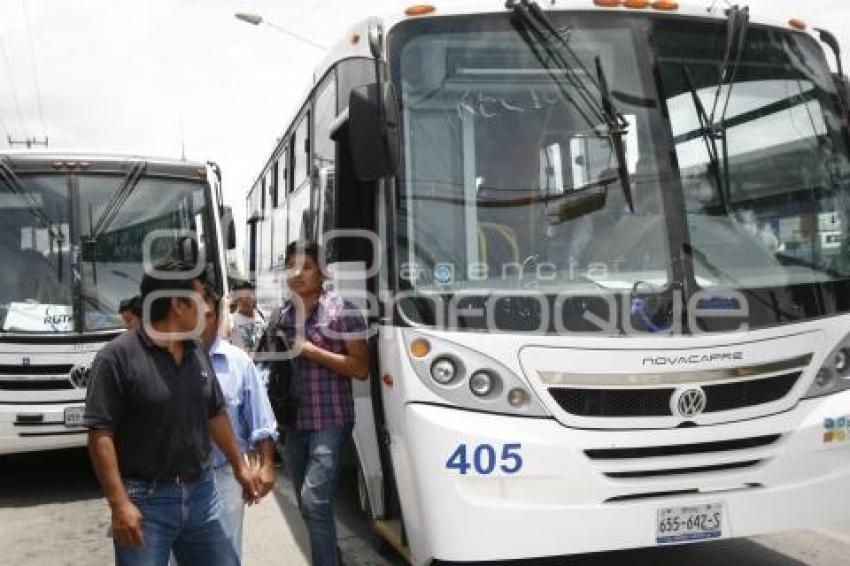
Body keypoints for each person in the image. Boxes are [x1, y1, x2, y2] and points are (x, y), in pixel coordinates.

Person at [84, 259, 260, 566]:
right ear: (178, 305)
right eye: (201, 297)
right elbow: (101, 434)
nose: (208, 309)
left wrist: (239, 466)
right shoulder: (116, 358)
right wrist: (119, 503)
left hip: (202, 496)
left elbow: (215, 412)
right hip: (145, 501)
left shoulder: (196, 353)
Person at [271, 241, 369, 566]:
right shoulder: (281, 315)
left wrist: (312, 351)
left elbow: (360, 368)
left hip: (331, 420)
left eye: (306, 266)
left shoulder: (342, 311)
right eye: (290, 266)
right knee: (308, 504)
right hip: (293, 423)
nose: (297, 274)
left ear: (323, 271)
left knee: (314, 502)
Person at [200, 287, 278, 559]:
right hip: (178, 482)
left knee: (227, 553)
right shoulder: (167, 362)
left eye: (207, 316)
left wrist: (266, 465)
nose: (199, 324)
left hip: (226, 475)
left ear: (218, 315)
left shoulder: (238, 363)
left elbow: (261, 419)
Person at [228, 282, 264, 354]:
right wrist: (226, 306)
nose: (244, 300)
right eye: (239, 297)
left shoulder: (260, 315)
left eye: (248, 295)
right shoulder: (231, 319)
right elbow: (223, 335)